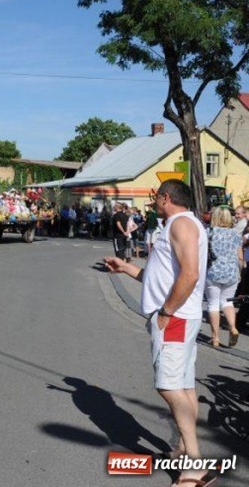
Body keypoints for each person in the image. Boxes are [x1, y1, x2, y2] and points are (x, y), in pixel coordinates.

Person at [104, 179, 210, 486]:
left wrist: (165, 312)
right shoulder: (181, 224)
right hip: (179, 316)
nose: (154, 205)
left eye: (156, 199)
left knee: (168, 386)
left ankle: (194, 466)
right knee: (184, 386)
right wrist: (126, 269)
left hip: (174, 318)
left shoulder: (180, 224)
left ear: (166, 198)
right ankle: (183, 449)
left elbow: (189, 274)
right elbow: (161, 278)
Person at [205, 206, 242, 348]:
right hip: (231, 272)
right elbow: (239, 257)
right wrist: (238, 273)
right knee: (228, 302)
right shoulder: (235, 234)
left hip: (214, 271)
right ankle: (233, 327)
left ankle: (215, 337)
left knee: (213, 303)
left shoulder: (209, 232)